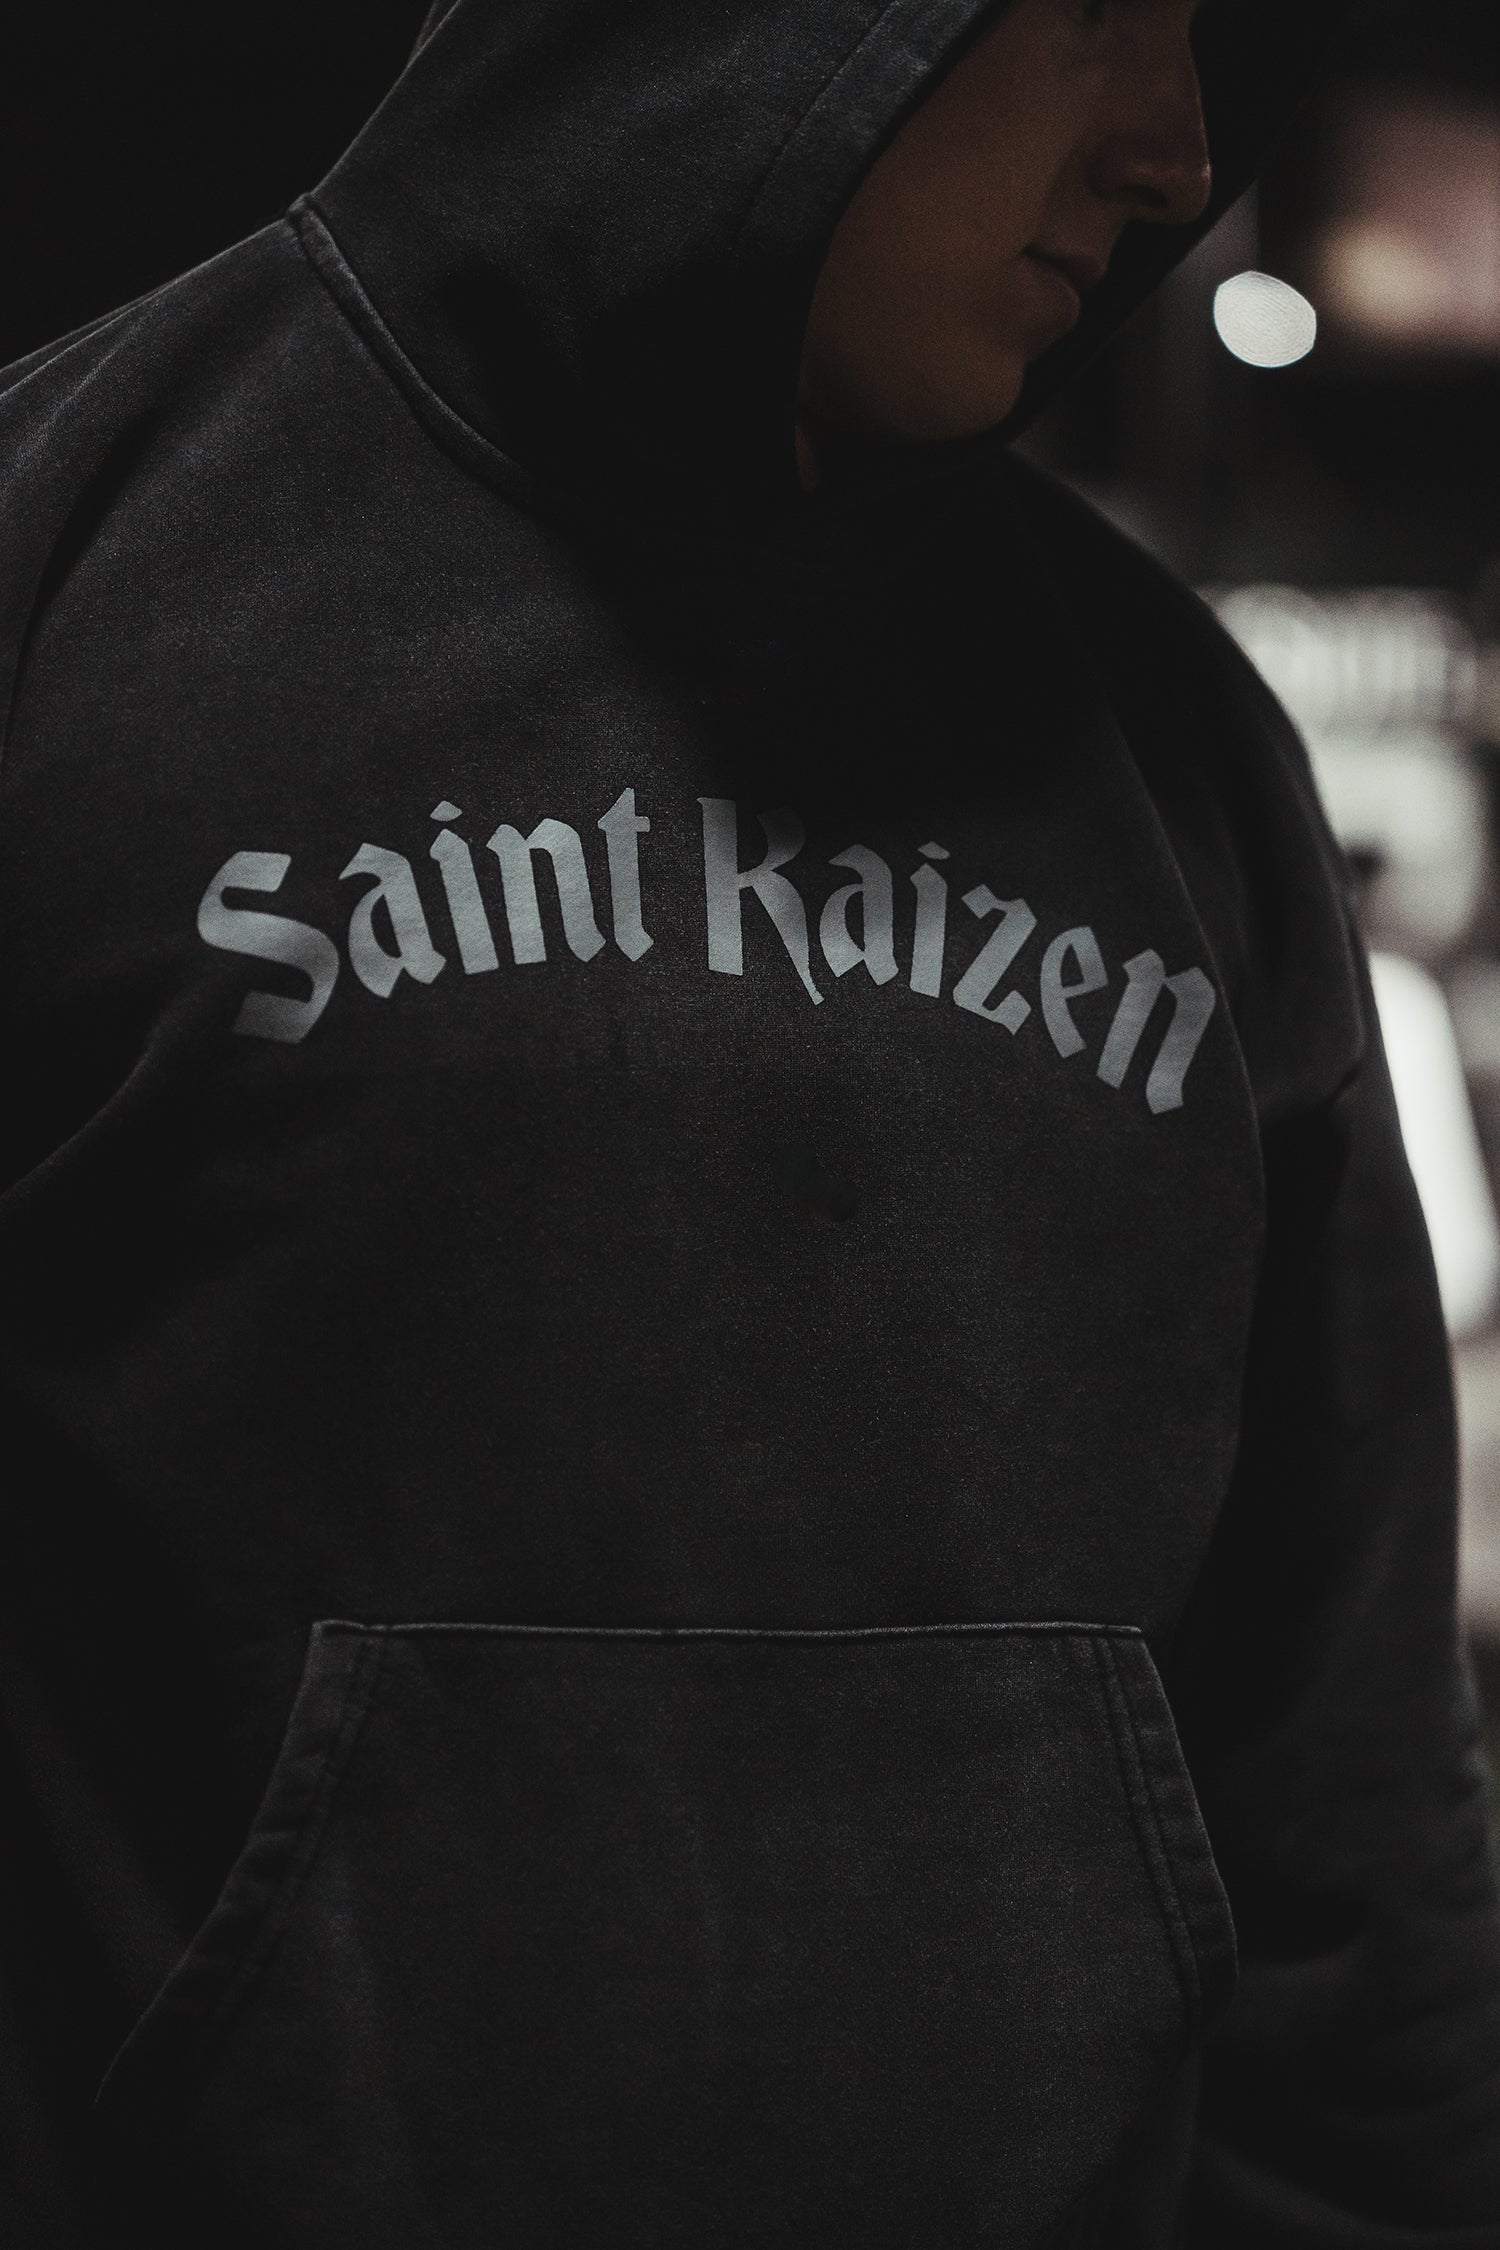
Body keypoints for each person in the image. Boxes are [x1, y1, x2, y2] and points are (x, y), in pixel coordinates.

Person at [2, 0, 1499, 2240]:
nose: (1178, 158)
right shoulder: (67, 576)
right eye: (1108, 13)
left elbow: (1346, 1806)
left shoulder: (1182, 757)